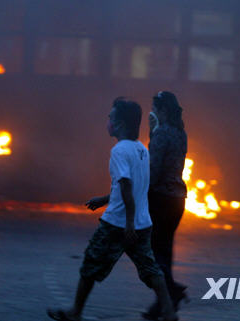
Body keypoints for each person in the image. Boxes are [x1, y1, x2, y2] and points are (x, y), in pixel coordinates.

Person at [47, 97, 178, 321]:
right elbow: (135, 187)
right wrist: (105, 199)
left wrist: (127, 222)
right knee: (150, 269)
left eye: (111, 117)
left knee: (91, 264)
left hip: (117, 224)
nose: (107, 121)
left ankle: (75, 312)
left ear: (120, 124)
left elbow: (127, 186)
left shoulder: (119, 151)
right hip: (143, 223)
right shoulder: (141, 150)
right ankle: (168, 312)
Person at [142, 91, 188, 320]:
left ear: (163, 111)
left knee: (154, 255)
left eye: (155, 108)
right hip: (178, 199)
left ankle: (171, 293)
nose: (153, 112)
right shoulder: (181, 133)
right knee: (164, 252)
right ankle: (163, 304)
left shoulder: (162, 133)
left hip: (160, 199)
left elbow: (154, 169)